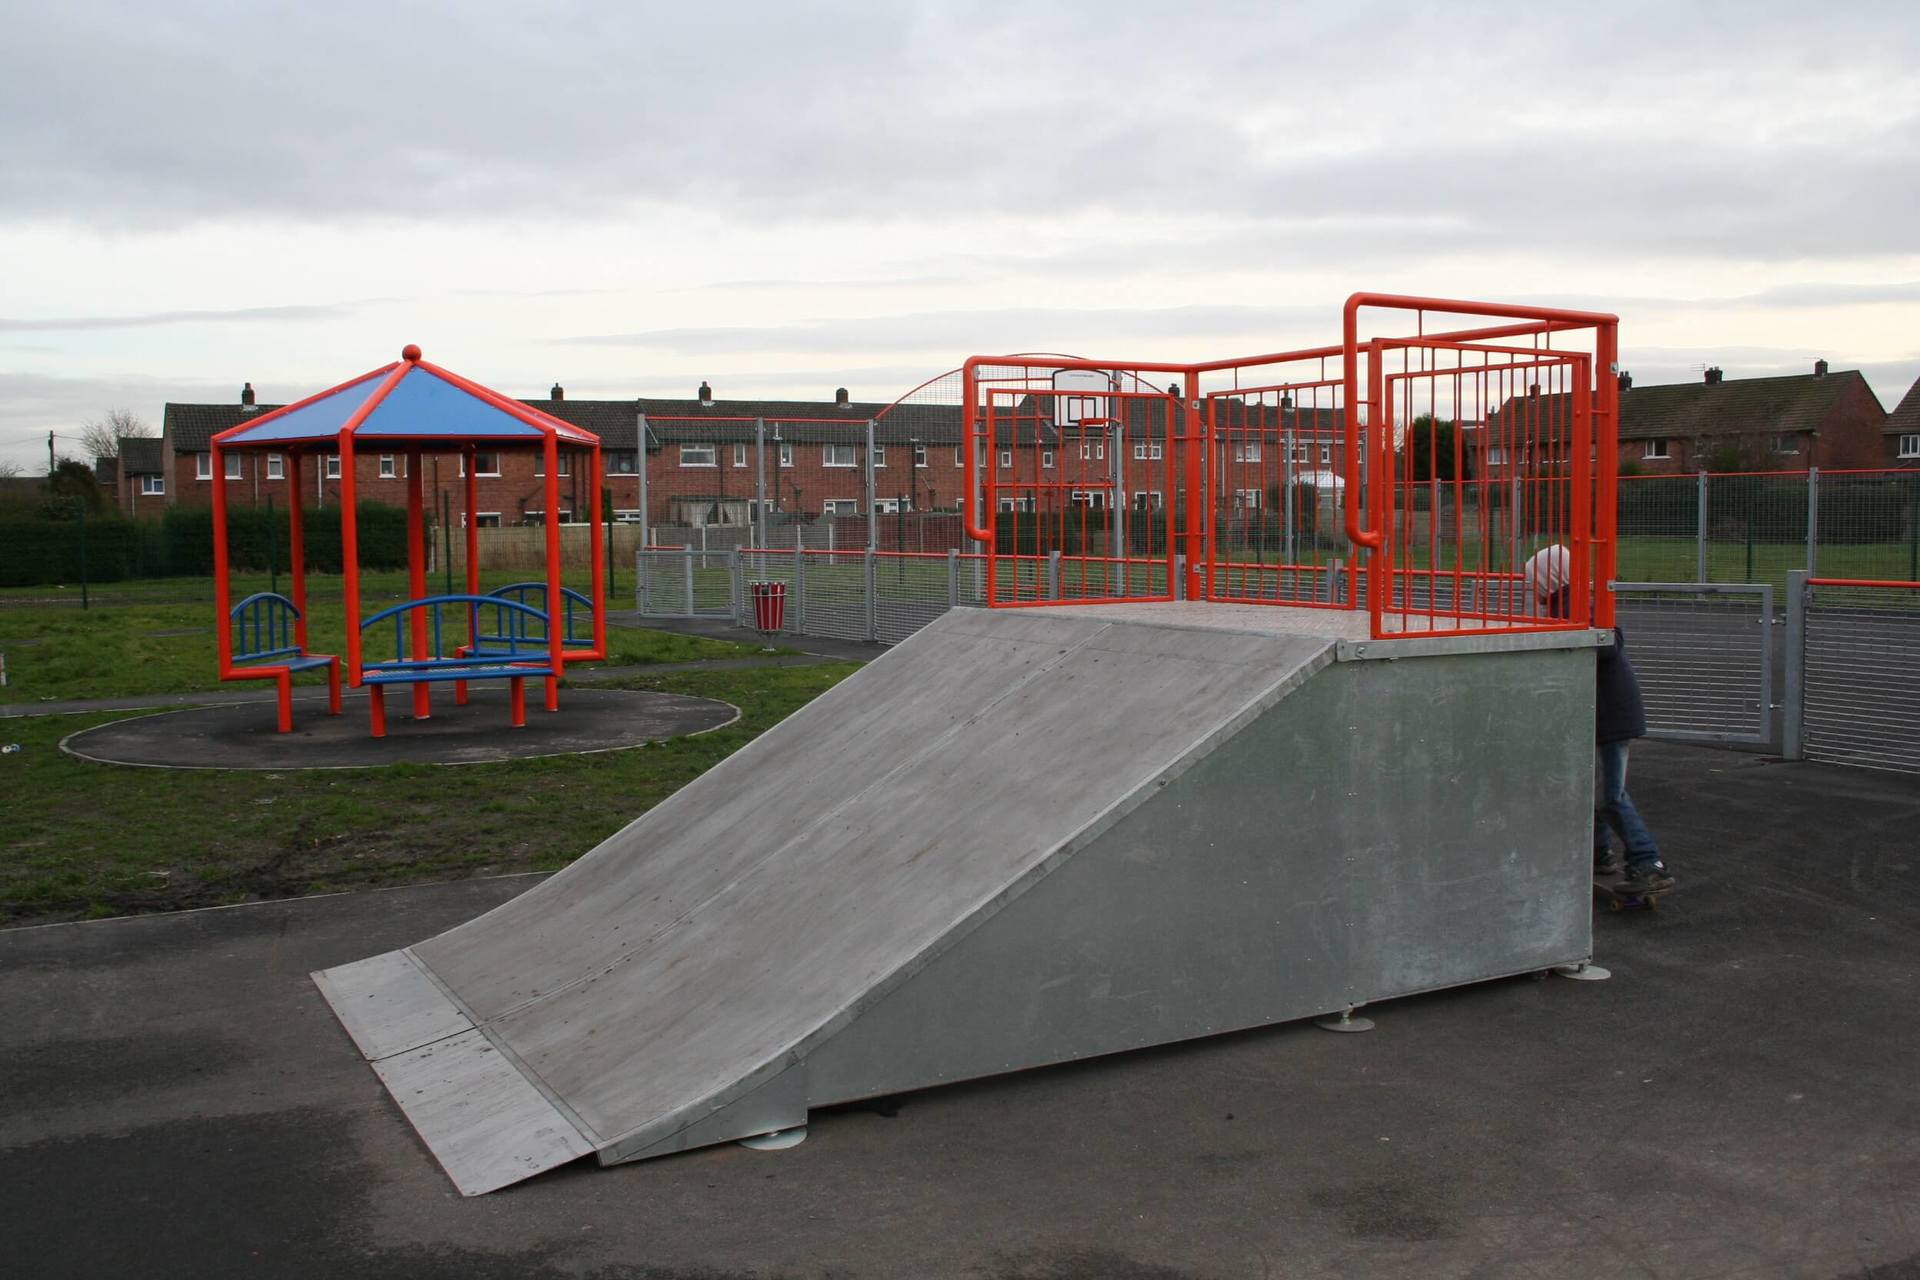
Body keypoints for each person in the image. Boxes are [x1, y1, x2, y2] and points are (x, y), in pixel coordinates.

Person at [1523, 545, 1675, 894]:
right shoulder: (1573, 602)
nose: (1533, 589)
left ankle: (1647, 861)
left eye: (1534, 582)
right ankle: (1599, 853)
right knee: (1590, 787)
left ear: (1547, 578)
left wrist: (1571, 641)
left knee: (1610, 795)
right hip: (1603, 713)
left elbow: (1610, 642)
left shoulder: (1575, 605)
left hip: (1610, 716)